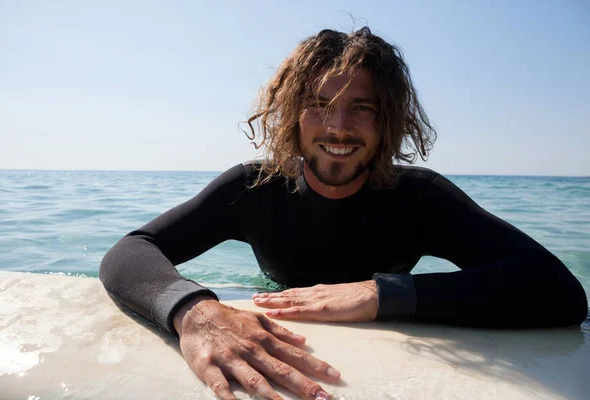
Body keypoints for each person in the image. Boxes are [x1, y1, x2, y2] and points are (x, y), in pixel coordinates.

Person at [99, 27, 587, 400]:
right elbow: (131, 252)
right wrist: (195, 312)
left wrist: (382, 294)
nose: (338, 126)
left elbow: (557, 291)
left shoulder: (420, 198)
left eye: (362, 108)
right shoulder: (255, 188)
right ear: (292, 113)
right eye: (318, 104)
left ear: (388, 120)